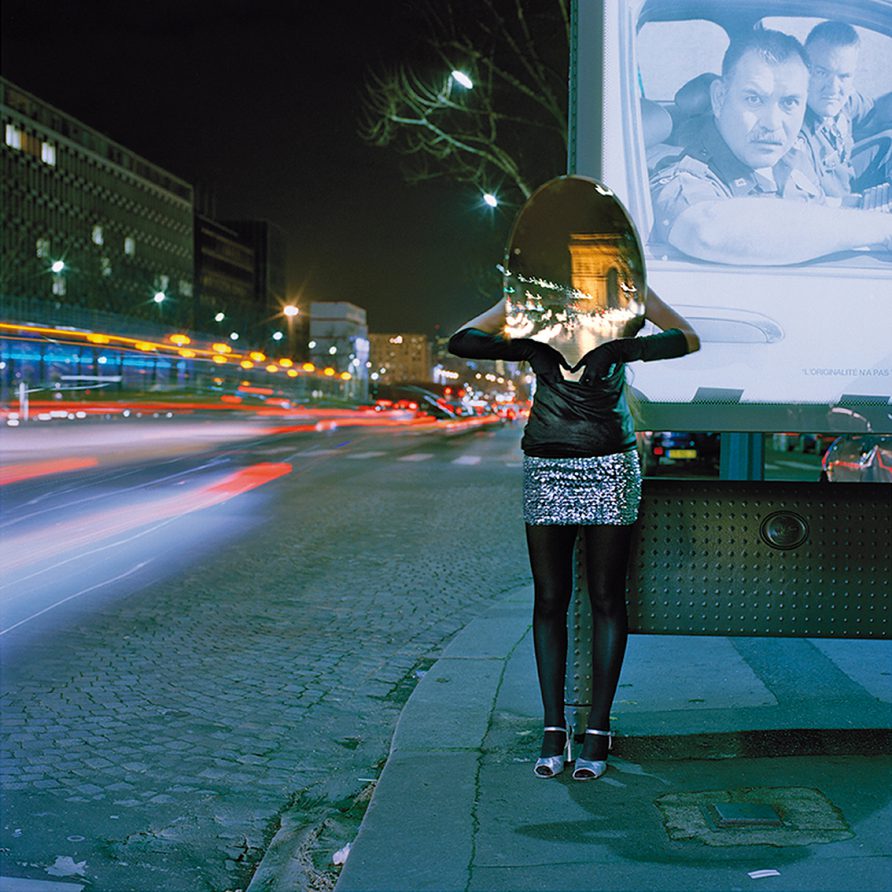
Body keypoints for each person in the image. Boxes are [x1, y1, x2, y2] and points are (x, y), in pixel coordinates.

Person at [448, 290, 700, 780]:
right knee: (549, 599)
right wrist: (528, 348)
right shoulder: (535, 297)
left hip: (609, 464)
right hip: (547, 462)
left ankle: (599, 729)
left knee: (607, 597)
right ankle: (553, 727)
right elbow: (463, 341)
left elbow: (685, 339)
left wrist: (621, 350)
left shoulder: (629, 293)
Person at [650, 27, 892, 264]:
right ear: (719, 97)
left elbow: (812, 207)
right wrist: (882, 227)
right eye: (754, 100)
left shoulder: (788, 159)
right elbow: (707, 231)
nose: (773, 123)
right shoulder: (685, 175)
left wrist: (865, 206)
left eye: (789, 102)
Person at [798, 21, 891, 201]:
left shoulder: (845, 101)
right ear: (803, 67)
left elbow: (876, 110)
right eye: (821, 72)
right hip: (833, 210)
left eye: (844, 76)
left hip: (847, 180)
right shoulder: (796, 129)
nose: (833, 88)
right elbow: (811, 206)